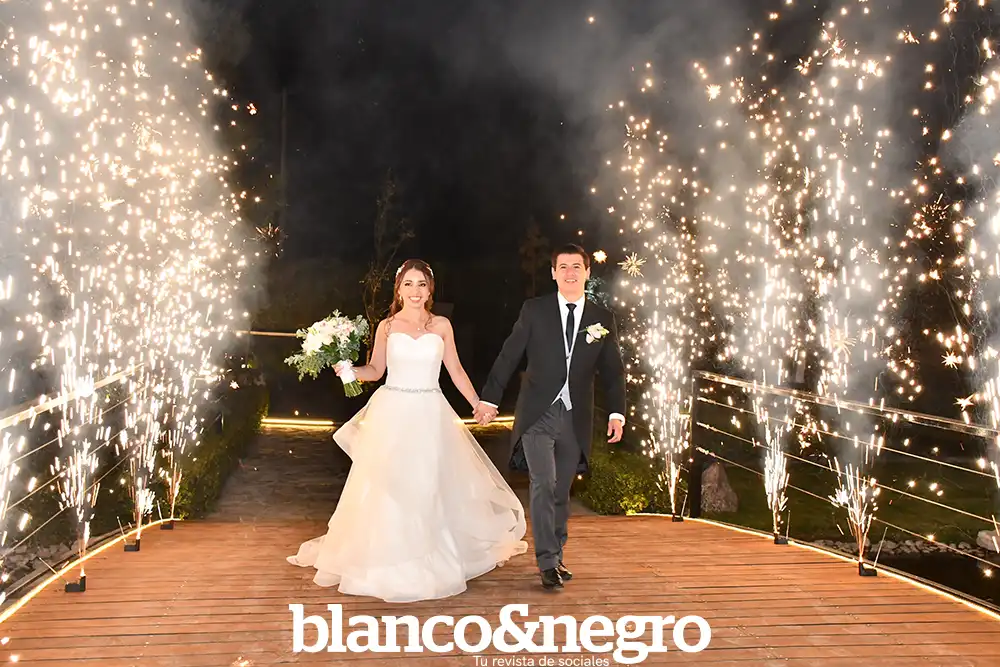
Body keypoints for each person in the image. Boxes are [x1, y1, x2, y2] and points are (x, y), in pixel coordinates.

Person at [287, 259, 528, 603]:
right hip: (393, 412)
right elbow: (376, 369)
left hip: (430, 411)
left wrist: (479, 403)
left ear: (430, 290)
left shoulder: (441, 325)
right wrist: (349, 371)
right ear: (398, 290)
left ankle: (429, 555)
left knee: (426, 482)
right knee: (387, 484)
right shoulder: (387, 327)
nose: (415, 291)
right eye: (408, 284)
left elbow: (456, 370)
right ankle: (386, 557)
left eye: (421, 284)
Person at [474, 244, 626, 590]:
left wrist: (617, 412)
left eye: (577, 267)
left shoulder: (601, 318)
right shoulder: (535, 310)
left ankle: (556, 554)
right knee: (543, 482)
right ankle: (546, 562)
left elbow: (613, 371)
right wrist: (489, 399)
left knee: (561, 490)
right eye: (563, 267)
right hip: (537, 413)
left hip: (575, 416)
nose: (570, 273)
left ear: (587, 272)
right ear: (554, 273)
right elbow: (509, 355)